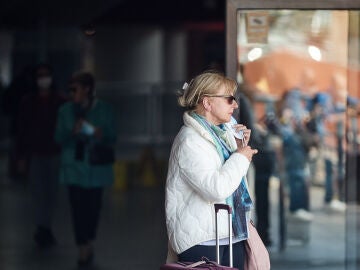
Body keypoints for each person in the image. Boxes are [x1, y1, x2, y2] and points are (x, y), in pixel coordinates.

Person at [165, 71, 258, 269]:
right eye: (229, 99)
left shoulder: (220, 135)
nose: (235, 105)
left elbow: (231, 180)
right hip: (202, 240)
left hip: (231, 233)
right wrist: (240, 157)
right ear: (207, 103)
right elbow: (216, 188)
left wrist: (238, 147)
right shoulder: (189, 140)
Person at [55, 71, 116, 267]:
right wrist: (71, 131)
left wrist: (99, 133)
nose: (72, 93)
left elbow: (112, 136)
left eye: (76, 89)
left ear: (87, 89)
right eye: (70, 90)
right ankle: (82, 246)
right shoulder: (65, 111)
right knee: (77, 209)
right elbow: (58, 137)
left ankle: (88, 240)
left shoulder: (103, 109)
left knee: (93, 208)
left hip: (96, 169)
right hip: (73, 167)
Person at [16, 63, 66, 248]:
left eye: (46, 75)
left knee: (51, 194)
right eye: (40, 75)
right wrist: (21, 156)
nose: (43, 79)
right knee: (38, 193)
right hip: (36, 153)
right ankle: (42, 228)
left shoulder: (60, 101)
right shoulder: (28, 102)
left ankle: (44, 228)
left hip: (54, 153)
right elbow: (22, 130)